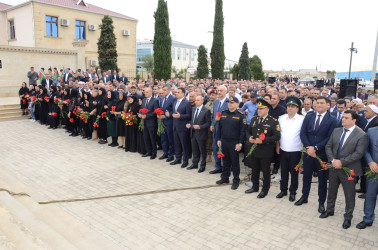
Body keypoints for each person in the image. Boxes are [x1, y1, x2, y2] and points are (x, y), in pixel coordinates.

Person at [320, 110, 368, 229]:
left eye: (346, 118)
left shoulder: (361, 135)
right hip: (334, 167)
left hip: (349, 169)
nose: (343, 119)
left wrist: (341, 162)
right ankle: (330, 210)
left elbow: (359, 153)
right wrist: (333, 161)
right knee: (331, 190)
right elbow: (328, 146)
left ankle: (348, 217)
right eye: (343, 117)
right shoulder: (337, 131)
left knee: (349, 195)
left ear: (354, 120)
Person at [296, 96, 338, 213]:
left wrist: (316, 147)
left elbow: (330, 138)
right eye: (317, 103)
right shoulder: (309, 116)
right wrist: (309, 147)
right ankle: (304, 197)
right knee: (306, 177)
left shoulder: (332, 120)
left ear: (327, 105)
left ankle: (321, 202)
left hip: (322, 155)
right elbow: (303, 133)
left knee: (322, 180)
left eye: (321, 103)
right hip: (308, 153)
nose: (318, 105)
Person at [244, 99, 280, 197]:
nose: (259, 110)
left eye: (261, 109)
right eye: (258, 108)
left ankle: (265, 189)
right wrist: (249, 137)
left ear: (267, 110)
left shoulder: (273, 121)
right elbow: (248, 131)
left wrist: (263, 140)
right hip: (254, 149)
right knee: (254, 169)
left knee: (265, 171)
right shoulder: (254, 119)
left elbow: (277, 136)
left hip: (265, 151)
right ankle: (255, 187)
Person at [276, 97, 304, 202]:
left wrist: (303, 152)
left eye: (293, 106)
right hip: (283, 150)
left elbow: (303, 136)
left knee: (294, 173)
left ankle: (293, 192)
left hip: (296, 151)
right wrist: (278, 146)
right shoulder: (281, 118)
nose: (290, 108)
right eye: (288, 106)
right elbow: (279, 134)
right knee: (283, 172)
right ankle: (283, 190)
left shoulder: (302, 119)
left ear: (297, 108)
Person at [216, 96, 247, 190]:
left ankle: (236, 180)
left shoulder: (241, 115)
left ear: (237, 104)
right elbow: (219, 128)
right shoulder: (224, 113)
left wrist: (240, 143)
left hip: (234, 142)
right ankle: (225, 178)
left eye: (232, 102)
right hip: (224, 141)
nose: (230, 104)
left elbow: (243, 131)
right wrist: (218, 139)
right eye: (229, 102)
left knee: (235, 163)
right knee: (225, 161)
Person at [356, 126, 378, 229]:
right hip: (373, 170)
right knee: (370, 196)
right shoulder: (372, 131)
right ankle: (368, 219)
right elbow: (366, 149)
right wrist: (370, 162)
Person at [186, 96, 211, 172]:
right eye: (196, 100)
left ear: (202, 101)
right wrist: (189, 124)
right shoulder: (193, 109)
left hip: (201, 133)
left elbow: (208, 123)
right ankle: (194, 164)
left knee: (202, 150)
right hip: (193, 133)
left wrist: (200, 127)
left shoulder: (206, 110)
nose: (196, 101)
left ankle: (202, 166)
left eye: (198, 100)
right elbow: (192, 120)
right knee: (195, 149)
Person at [170, 87, 192, 168]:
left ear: (183, 94)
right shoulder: (175, 101)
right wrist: (172, 114)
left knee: (184, 145)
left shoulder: (187, 103)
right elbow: (174, 112)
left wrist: (180, 116)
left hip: (183, 127)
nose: (176, 93)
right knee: (176, 144)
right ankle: (178, 158)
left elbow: (189, 115)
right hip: (175, 126)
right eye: (176, 92)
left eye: (178, 92)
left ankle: (185, 160)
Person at [210, 85, 229, 174]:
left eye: (221, 90)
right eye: (218, 90)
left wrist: (220, 119)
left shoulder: (229, 102)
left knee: (224, 149)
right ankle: (218, 167)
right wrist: (212, 124)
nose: (219, 92)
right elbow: (214, 115)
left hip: (225, 129)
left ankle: (226, 167)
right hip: (216, 129)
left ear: (226, 91)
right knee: (215, 148)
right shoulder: (216, 102)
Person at [138, 87, 159, 159]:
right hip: (144, 122)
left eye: (147, 92)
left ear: (151, 92)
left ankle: (154, 153)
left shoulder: (155, 100)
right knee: (146, 137)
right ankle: (148, 151)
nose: (145, 93)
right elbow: (141, 108)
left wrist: (146, 116)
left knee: (152, 138)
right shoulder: (144, 100)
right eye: (144, 92)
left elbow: (155, 112)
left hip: (151, 122)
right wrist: (140, 114)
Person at [159, 85, 176, 162]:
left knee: (170, 139)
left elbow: (174, 110)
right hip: (162, 122)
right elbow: (161, 109)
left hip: (169, 122)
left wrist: (166, 116)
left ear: (169, 90)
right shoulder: (162, 98)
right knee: (163, 138)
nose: (163, 92)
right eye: (163, 90)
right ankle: (165, 153)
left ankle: (171, 154)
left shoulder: (173, 98)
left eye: (165, 90)